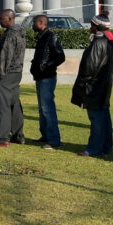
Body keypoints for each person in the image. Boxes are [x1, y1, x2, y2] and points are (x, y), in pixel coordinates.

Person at [72, 13, 113, 157]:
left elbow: (90, 67)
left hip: (95, 87)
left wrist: (83, 82)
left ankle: (94, 149)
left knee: (96, 118)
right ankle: (106, 147)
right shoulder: (108, 41)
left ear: (96, 27)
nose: (90, 27)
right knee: (104, 117)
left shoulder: (99, 42)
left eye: (92, 24)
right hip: (103, 85)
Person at [0, 9, 25, 147]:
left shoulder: (11, 35)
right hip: (16, 73)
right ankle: (18, 136)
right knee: (14, 104)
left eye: (1, 18)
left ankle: (2, 138)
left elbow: (5, 57)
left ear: (10, 19)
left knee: (3, 105)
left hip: (7, 74)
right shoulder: (19, 33)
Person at [31, 14, 65, 150]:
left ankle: (54, 140)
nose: (32, 25)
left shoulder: (51, 36)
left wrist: (46, 65)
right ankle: (45, 135)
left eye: (34, 23)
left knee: (47, 108)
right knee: (42, 108)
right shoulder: (42, 37)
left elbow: (60, 56)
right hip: (40, 76)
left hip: (47, 77)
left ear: (41, 23)